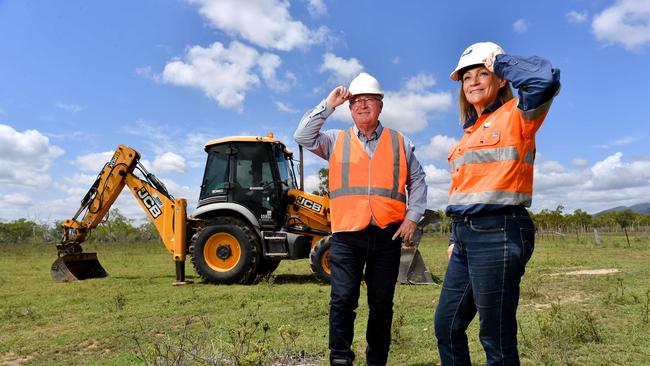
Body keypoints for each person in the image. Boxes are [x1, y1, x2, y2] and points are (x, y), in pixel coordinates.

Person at [434, 42, 561, 365]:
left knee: (496, 336)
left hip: (499, 231)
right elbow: (464, 189)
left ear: (501, 79)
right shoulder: (468, 133)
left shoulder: (518, 114)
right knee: (446, 326)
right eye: (467, 77)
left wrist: (501, 62)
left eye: (482, 73)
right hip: (465, 237)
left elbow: (545, 79)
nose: (473, 82)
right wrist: (453, 237)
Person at [294, 72, 427, 366]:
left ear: (380, 105)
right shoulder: (334, 140)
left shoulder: (400, 142)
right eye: (356, 101)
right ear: (349, 108)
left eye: (369, 100)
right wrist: (329, 104)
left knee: (381, 305)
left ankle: (376, 361)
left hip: (387, 235)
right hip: (346, 236)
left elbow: (417, 181)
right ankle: (340, 359)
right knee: (342, 301)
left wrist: (413, 218)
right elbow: (302, 136)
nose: (362, 105)